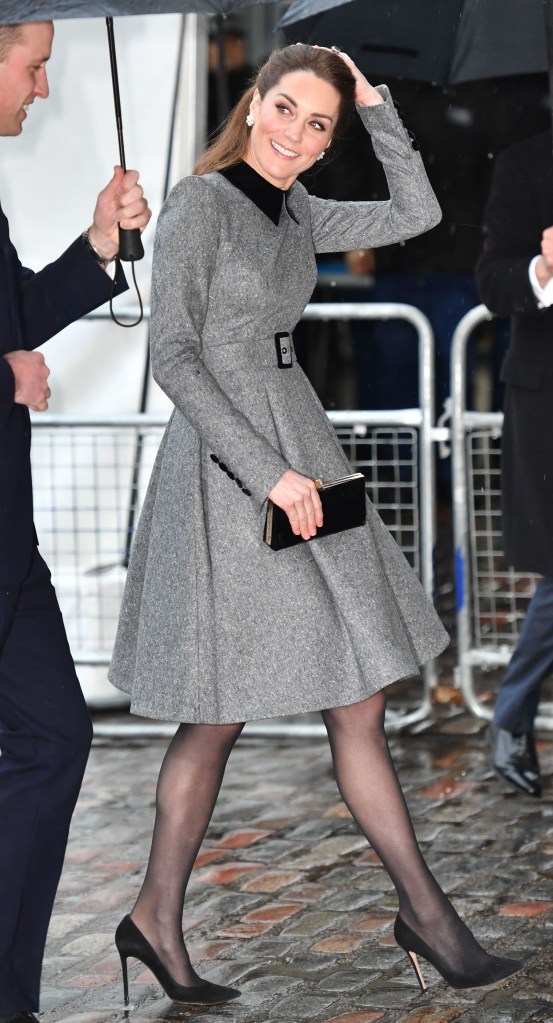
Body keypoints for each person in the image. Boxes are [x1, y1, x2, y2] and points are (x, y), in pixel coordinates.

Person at [109, 44, 521, 1005]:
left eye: (319, 124)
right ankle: (155, 919)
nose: (298, 133)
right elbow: (175, 357)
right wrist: (266, 474)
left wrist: (375, 106)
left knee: (359, 694)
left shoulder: (298, 209)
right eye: (287, 109)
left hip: (306, 457)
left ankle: (423, 911)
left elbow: (415, 212)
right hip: (230, 473)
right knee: (216, 714)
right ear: (253, 106)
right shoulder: (198, 204)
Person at [0, 20, 152, 1023]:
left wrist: (102, 245)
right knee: (51, 743)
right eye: (31, 62)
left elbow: (13, 322)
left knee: (55, 741)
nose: (45, 85)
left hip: (12, 546)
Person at [476, 130, 553, 799]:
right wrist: (541, 271)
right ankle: (510, 717)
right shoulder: (525, 163)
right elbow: (493, 279)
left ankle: (510, 716)